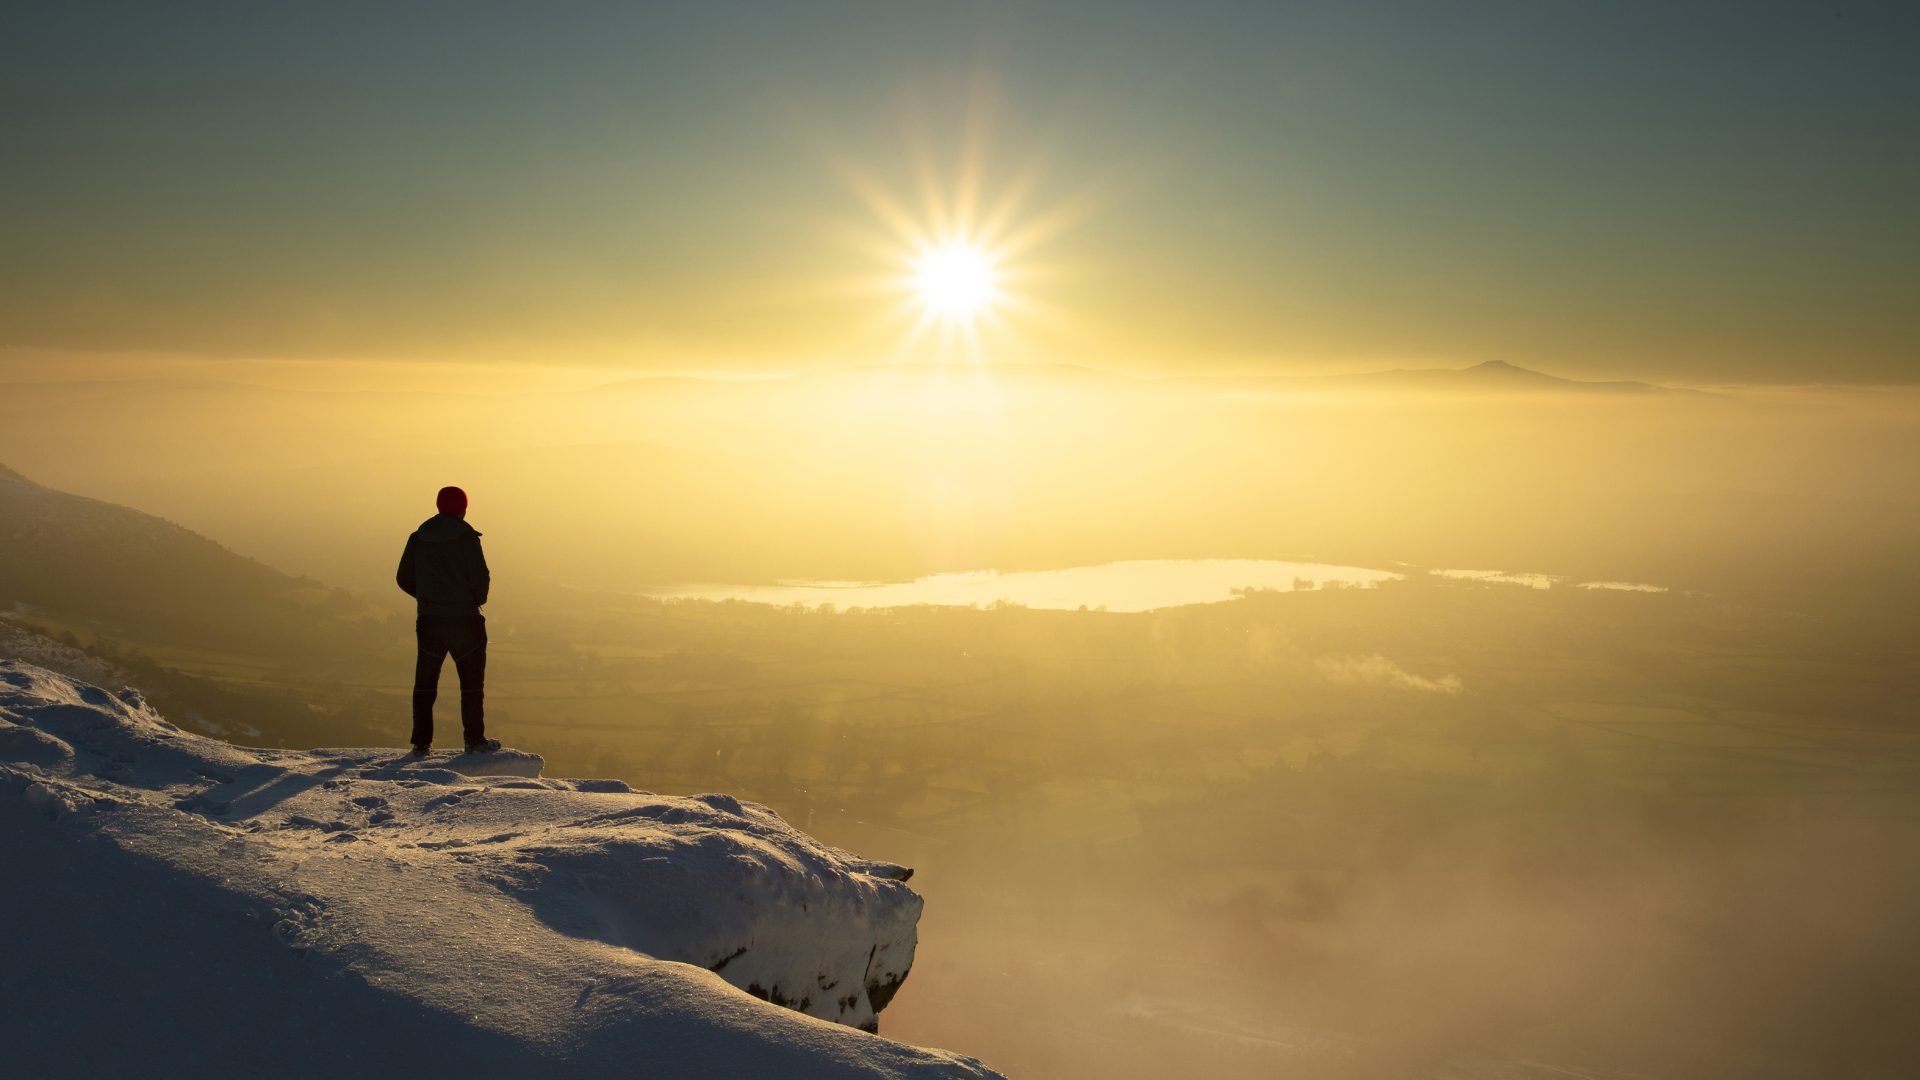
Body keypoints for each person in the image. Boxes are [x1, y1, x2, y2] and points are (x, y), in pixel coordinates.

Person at [396, 485, 500, 755]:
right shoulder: (467, 539)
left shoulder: (418, 537)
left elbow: (403, 578)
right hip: (464, 620)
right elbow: (481, 580)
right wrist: (472, 600)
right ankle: (474, 740)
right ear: (462, 508)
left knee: (425, 682)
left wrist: (428, 598)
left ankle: (421, 742)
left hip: (429, 619)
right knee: (471, 685)